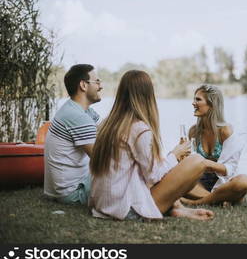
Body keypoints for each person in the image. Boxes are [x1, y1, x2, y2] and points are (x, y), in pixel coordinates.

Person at [89, 70, 220, 221]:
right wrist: (175, 155)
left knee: (173, 165)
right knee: (196, 161)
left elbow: (141, 170)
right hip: (126, 209)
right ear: (148, 95)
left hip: (103, 205)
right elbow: (153, 175)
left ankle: (177, 208)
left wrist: (171, 157)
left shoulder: (107, 124)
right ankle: (174, 207)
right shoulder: (139, 129)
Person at [181, 84, 247, 206]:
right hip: (200, 182)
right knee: (177, 177)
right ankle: (221, 199)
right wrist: (182, 157)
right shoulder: (193, 131)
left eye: (198, 99)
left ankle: (196, 202)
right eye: (194, 99)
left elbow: (229, 169)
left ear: (212, 104)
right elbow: (190, 163)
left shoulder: (225, 131)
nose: (193, 103)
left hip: (224, 181)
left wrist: (205, 163)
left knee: (243, 182)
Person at [44, 64, 102, 204]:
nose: (101, 86)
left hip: (62, 189)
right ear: (83, 85)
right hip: (73, 192)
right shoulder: (77, 116)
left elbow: (104, 130)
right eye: (97, 81)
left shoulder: (77, 109)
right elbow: (102, 161)